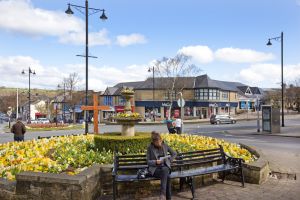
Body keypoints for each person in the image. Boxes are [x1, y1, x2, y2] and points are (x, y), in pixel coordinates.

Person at [147, 131, 177, 200]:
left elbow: (174, 153)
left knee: (165, 170)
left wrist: (169, 160)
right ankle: (165, 196)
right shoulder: (150, 148)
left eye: (160, 141)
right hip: (156, 170)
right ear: (154, 142)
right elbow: (148, 162)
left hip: (165, 168)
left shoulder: (165, 145)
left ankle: (162, 194)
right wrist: (155, 162)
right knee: (167, 176)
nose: (159, 143)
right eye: (157, 142)